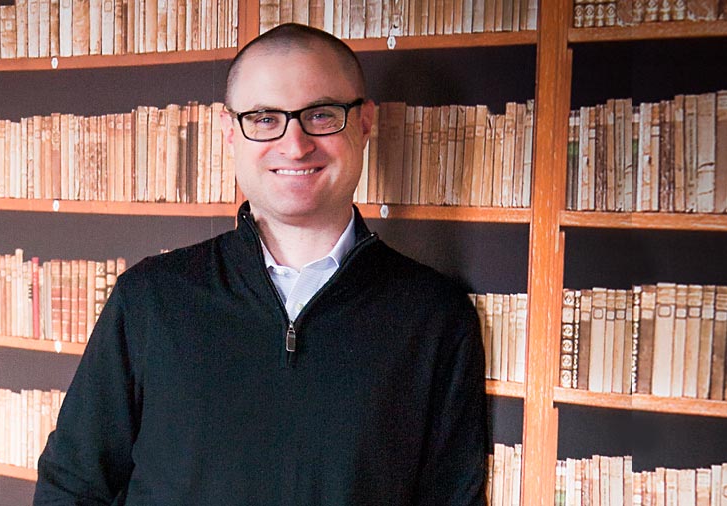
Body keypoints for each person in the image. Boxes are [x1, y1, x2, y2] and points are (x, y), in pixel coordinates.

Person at [34, 23, 488, 506]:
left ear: (363, 123)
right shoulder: (150, 299)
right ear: (230, 132)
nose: (295, 145)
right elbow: (72, 486)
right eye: (265, 118)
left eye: (321, 114)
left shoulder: (434, 316)